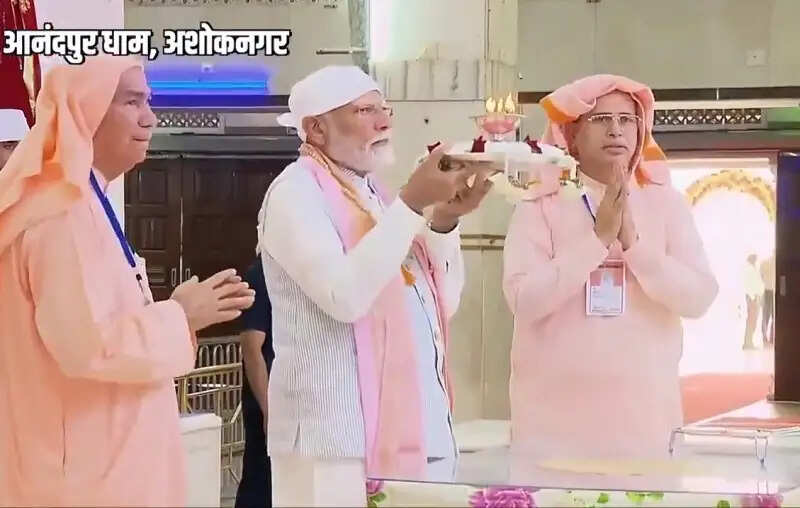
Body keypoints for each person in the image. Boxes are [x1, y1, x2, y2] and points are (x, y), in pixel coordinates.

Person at [0, 56, 255, 507]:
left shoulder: (83, 200)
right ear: (87, 110)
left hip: (104, 467)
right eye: (132, 102)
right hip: (82, 479)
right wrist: (181, 315)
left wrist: (174, 311)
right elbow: (87, 348)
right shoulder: (59, 215)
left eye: (148, 102)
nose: (149, 118)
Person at [257, 65, 492, 507]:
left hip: (417, 428)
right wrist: (413, 204)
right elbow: (344, 297)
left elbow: (443, 305)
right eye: (365, 111)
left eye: (385, 109)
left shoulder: (376, 197)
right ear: (317, 129)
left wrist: (443, 219)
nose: (384, 122)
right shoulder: (295, 193)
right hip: (333, 441)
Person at [503, 74, 718, 460]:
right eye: (601, 119)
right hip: (553, 426)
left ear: (640, 131)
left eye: (627, 120)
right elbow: (524, 301)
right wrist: (597, 240)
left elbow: (699, 298)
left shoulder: (666, 203)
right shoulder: (539, 204)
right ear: (572, 135)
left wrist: (635, 246)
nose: (616, 130)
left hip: (644, 421)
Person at [235, 255, 275, 508]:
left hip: (293, 404)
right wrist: (269, 409)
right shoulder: (261, 274)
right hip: (265, 402)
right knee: (261, 482)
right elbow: (251, 347)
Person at [743, 253, 764, 349]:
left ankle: (749, 342)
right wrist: (753, 298)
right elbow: (749, 285)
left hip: (755, 297)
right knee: (751, 320)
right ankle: (748, 343)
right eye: (755, 259)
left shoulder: (753, 269)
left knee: (753, 320)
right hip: (753, 297)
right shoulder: (749, 270)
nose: (756, 261)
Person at [759, 253, 776, 347]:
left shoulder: (764, 263)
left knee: (766, 315)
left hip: (768, 290)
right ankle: (771, 337)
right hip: (771, 291)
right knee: (772, 316)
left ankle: (766, 337)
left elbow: (761, 276)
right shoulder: (771, 263)